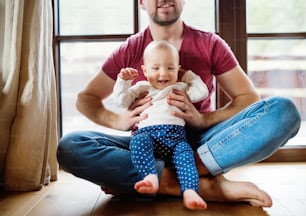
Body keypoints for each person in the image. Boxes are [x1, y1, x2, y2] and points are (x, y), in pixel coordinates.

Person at [57, 0, 301, 209]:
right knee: (71, 146)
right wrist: (118, 120)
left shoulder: (210, 44)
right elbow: (85, 99)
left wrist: (204, 119)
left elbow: (248, 98)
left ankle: (151, 181)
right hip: (146, 141)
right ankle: (202, 187)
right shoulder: (130, 49)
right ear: (141, 1)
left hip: (201, 141)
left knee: (283, 111)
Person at [112, 40, 209, 209]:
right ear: (145, 70)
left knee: (186, 155)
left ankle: (190, 190)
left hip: (176, 139)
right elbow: (121, 100)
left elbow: (202, 92)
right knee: (138, 143)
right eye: (156, 68)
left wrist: (188, 76)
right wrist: (123, 81)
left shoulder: (180, 87)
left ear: (178, 69)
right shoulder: (142, 87)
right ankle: (150, 177)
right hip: (147, 135)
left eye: (170, 68)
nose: (163, 73)